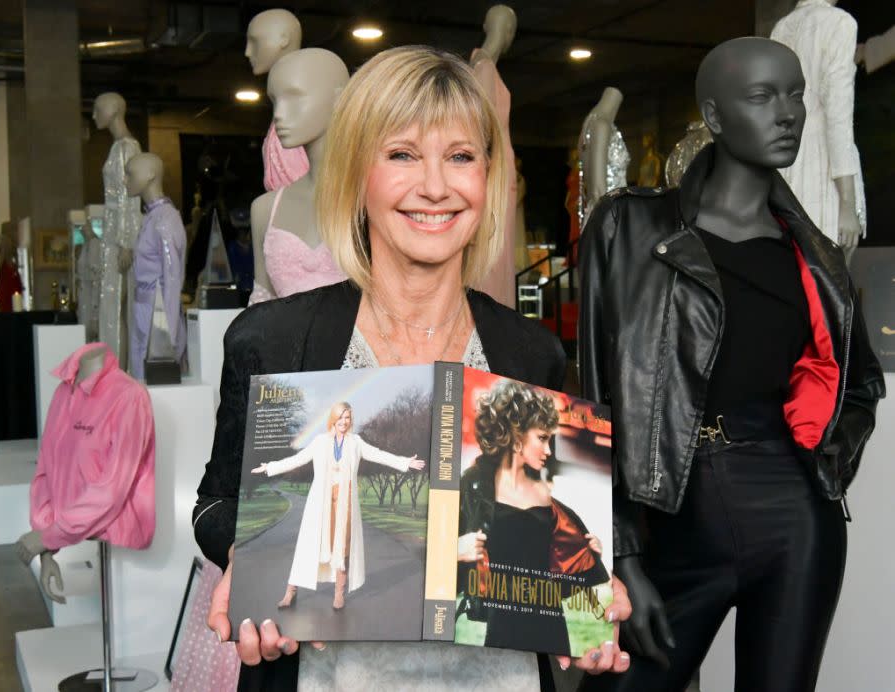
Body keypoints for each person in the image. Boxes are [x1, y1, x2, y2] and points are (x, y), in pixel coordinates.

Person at [193, 45, 630, 691]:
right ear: (357, 173)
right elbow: (215, 505)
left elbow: (542, 522)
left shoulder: (529, 351)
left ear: (488, 175)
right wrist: (251, 553)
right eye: (401, 154)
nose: (435, 186)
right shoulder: (274, 339)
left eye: (460, 156)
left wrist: (587, 592)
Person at [577, 37, 884, 692]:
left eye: (796, 94)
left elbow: (859, 386)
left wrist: (821, 458)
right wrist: (622, 551)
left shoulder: (818, 259)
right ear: (714, 116)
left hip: (794, 515)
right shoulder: (626, 229)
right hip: (668, 520)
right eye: (762, 96)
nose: (788, 113)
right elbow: (596, 397)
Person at [457, 379, 610, 654]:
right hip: (500, 632)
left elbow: (564, 576)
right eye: (542, 438)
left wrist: (588, 554)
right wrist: (454, 551)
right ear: (516, 436)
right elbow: (431, 564)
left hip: (551, 632)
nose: (549, 450)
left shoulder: (548, 499)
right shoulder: (472, 487)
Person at [252, 401, 425, 610]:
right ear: (333, 419)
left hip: (345, 504)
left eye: (348, 418)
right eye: (341, 417)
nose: (344, 422)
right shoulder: (319, 441)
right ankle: (290, 592)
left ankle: (339, 594)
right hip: (320, 503)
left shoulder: (356, 443)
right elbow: (298, 460)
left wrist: (405, 462)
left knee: (342, 547)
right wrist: (270, 467)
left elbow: (379, 455)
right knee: (308, 547)